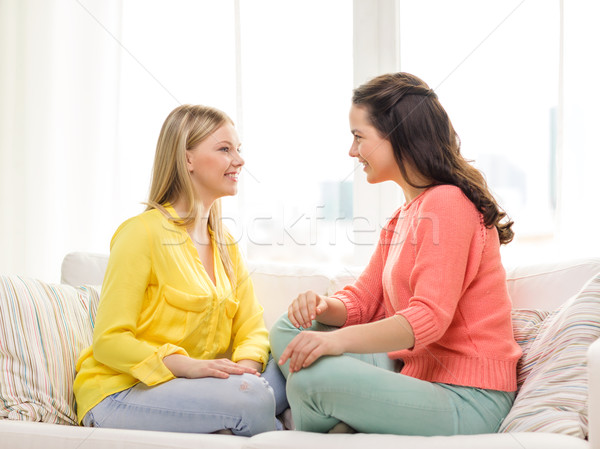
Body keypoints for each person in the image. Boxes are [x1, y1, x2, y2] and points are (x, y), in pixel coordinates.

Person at [270, 72, 522, 436]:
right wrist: (324, 308)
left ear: (397, 137)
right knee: (291, 328)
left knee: (309, 381)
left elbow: (427, 318)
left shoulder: (448, 202)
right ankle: (348, 422)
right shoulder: (403, 216)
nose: (352, 152)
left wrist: (333, 340)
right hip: (418, 374)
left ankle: (343, 422)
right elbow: (362, 302)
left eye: (358, 137)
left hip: (467, 397)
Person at [74, 104, 287, 436]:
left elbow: (251, 328)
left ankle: (244, 412)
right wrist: (187, 367)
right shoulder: (141, 233)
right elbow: (109, 341)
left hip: (205, 386)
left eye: (238, 150)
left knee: (294, 361)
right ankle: (260, 416)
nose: (240, 160)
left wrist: (244, 373)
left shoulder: (226, 244)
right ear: (187, 159)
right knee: (254, 398)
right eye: (224, 149)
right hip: (121, 392)